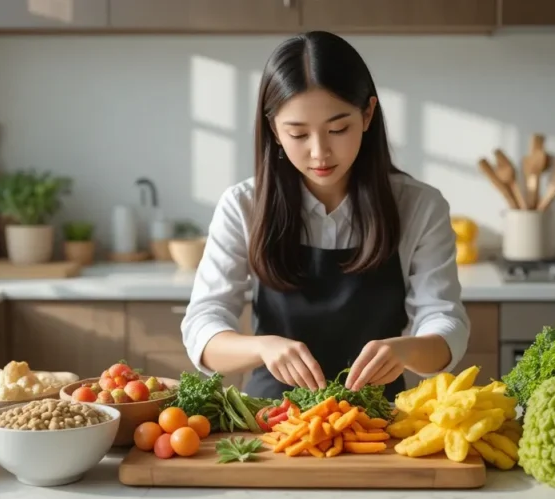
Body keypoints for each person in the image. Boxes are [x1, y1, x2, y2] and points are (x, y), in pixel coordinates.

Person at [180, 30, 470, 402]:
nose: (320, 152)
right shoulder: (243, 205)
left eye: (338, 129)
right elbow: (202, 326)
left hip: (378, 419)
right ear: (274, 130)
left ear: (367, 114)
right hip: (271, 418)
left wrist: (406, 350)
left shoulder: (420, 206)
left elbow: (447, 324)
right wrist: (262, 347)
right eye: (298, 134)